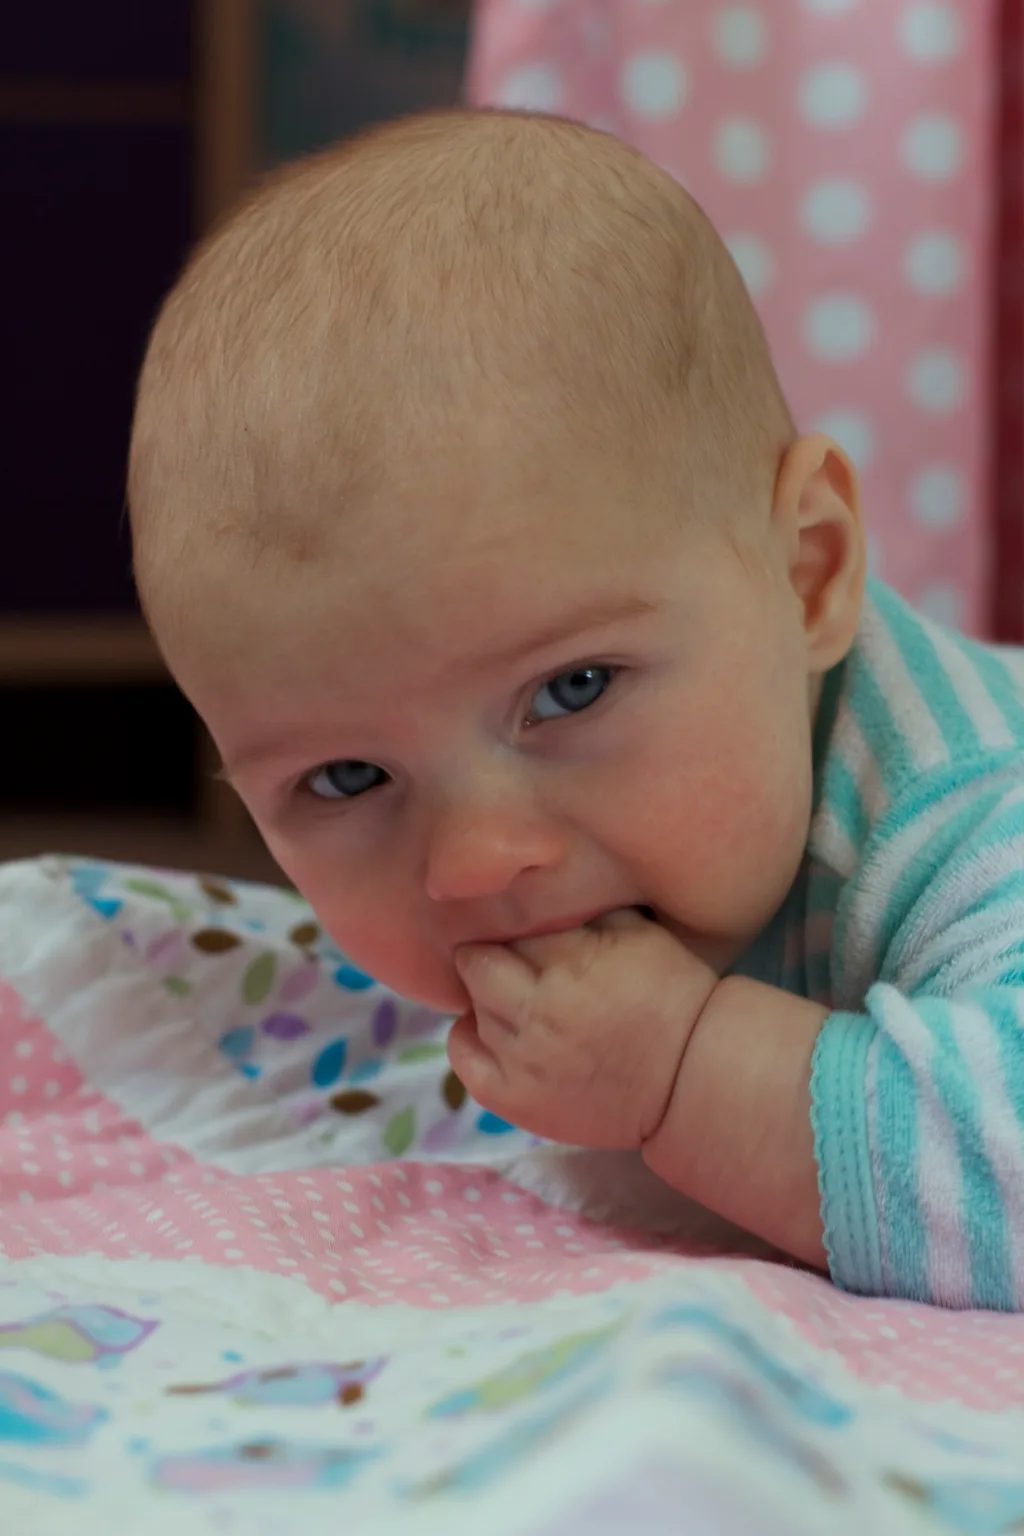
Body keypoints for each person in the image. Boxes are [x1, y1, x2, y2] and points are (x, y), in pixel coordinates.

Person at [129, 109, 1024, 1311]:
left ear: (807, 573)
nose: (476, 862)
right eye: (347, 779)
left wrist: (686, 1074)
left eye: (572, 690)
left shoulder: (969, 811)